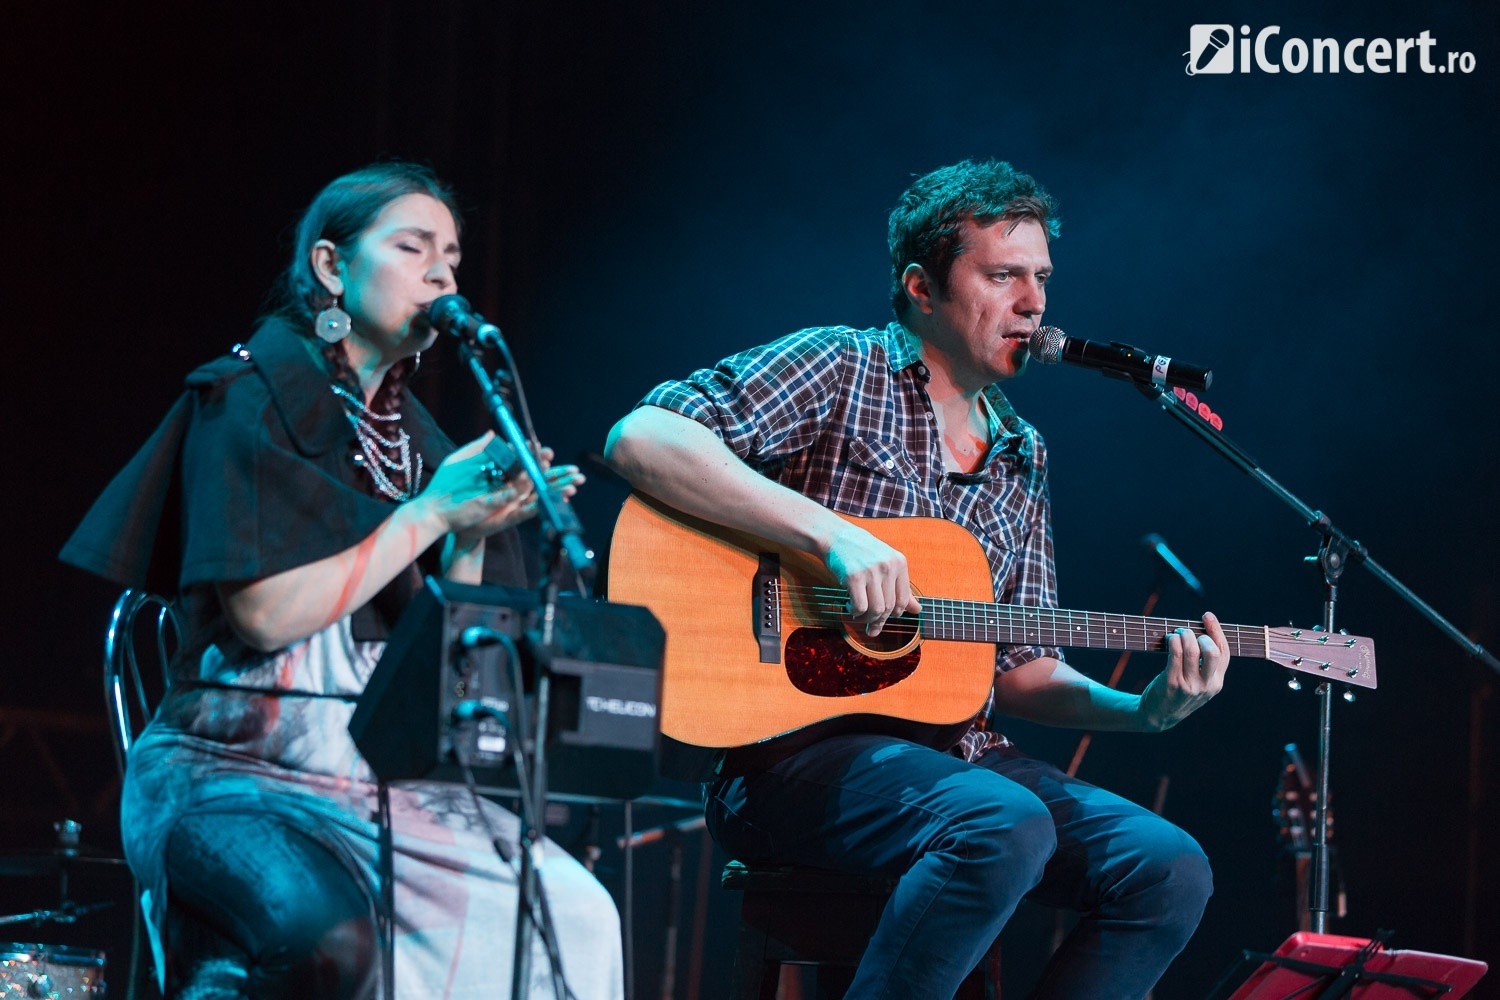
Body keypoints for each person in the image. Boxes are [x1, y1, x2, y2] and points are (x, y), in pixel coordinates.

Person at [603, 159, 1229, 998]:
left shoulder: (1024, 453)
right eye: (1002, 275)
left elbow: (1017, 665)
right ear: (922, 287)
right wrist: (832, 538)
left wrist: (1142, 713)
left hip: (956, 757)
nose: (1034, 302)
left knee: (1168, 870)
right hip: (786, 756)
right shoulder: (840, 368)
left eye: (1041, 278)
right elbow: (642, 438)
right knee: (1002, 826)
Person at [62, 163, 622, 999]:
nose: (443, 274)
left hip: (371, 777)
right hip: (230, 772)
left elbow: (434, 670)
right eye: (413, 247)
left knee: (577, 911)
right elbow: (263, 616)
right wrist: (432, 514)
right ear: (331, 267)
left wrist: (468, 530)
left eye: (455, 257)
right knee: (333, 940)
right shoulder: (245, 396)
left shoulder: (419, 440)